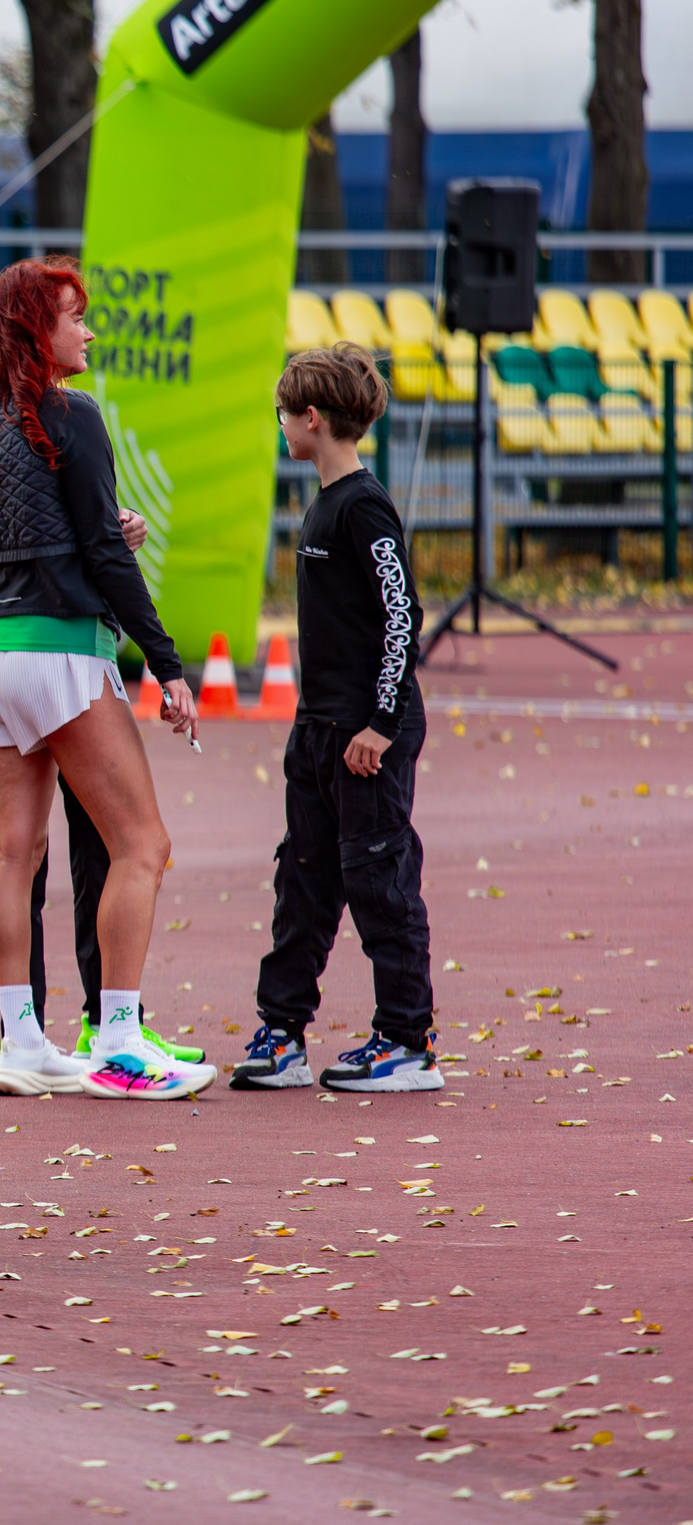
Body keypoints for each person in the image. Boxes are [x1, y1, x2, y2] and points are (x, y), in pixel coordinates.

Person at [0, 257, 209, 1100]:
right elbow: (107, 553)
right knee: (142, 845)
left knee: (11, 851)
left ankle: (22, 1045)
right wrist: (166, 663)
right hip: (59, 653)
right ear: (34, 328)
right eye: (75, 316)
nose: (88, 330)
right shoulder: (71, 414)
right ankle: (118, 1043)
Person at [232, 345, 439, 1093]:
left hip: (366, 735)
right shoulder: (322, 501)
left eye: (282, 414)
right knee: (303, 880)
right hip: (318, 728)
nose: (281, 425)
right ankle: (283, 1031)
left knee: (379, 881)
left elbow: (401, 615)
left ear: (311, 418)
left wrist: (380, 723)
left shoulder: (362, 504)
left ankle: (407, 1041)